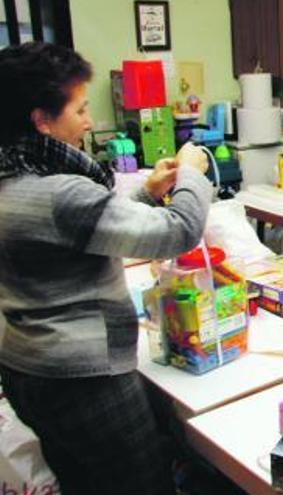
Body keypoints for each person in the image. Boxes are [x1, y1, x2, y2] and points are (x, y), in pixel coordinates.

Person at [0, 42, 212, 495]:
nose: (90, 121)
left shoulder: (13, 182)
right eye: (79, 109)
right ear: (41, 121)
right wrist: (194, 172)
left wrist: (148, 193)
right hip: (85, 380)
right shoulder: (60, 194)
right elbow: (180, 231)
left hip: (26, 367)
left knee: (84, 482)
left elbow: (77, 230)